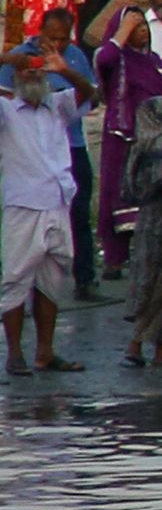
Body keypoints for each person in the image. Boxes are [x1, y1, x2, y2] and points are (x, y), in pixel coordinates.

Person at [1, 39, 92, 376]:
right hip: (23, 204)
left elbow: (90, 94)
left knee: (52, 279)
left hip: (57, 200)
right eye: (24, 71)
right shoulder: (7, 110)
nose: (31, 74)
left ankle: (45, 352)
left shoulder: (57, 104)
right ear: (15, 77)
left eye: (36, 69)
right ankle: (14, 354)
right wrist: (10, 57)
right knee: (15, 279)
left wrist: (66, 70)